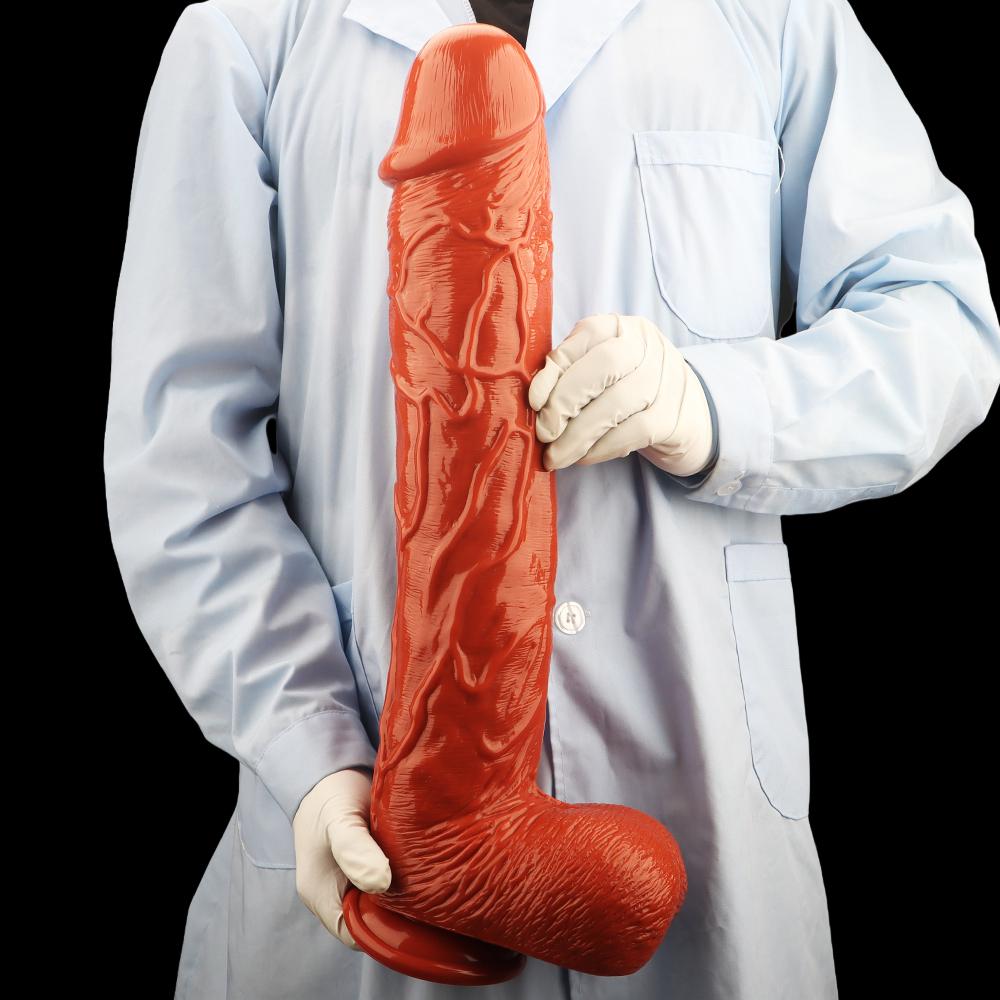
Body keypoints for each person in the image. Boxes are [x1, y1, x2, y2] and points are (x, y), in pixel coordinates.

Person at [104, 1, 1000, 998]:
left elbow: (938, 321)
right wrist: (307, 754)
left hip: (701, 796)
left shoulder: (776, 16)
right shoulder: (248, 30)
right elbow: (182, 461)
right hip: (371, 838)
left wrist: (713, 406)